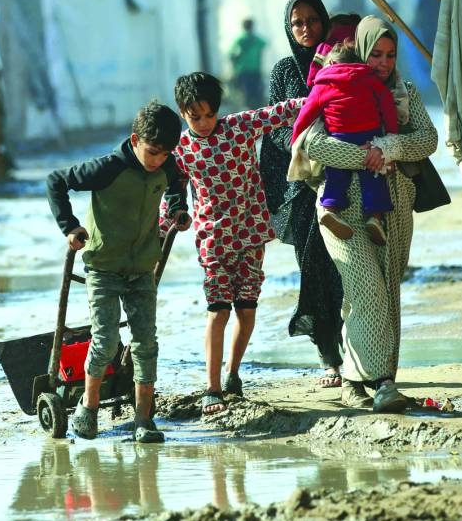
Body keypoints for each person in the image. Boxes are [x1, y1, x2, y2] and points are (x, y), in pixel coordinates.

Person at [296, 15, 439, 413]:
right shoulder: (338, 84)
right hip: (338, 210)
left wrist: (389, 146)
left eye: (391, 55)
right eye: (375, 53)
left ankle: (355, 378)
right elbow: (315, 144)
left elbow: (428, 140)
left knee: (382, 292)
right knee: (366, 287)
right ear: (359, 50)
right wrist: (367, 156)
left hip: (392, 206)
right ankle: (383, 384)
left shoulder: (405, 92)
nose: (383, 62)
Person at [45, 100, 191, 442]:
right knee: (107, 339)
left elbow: (176, 183)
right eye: (153, 152)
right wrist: (70, 226)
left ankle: (144, 419)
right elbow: (56, 181)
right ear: (135, 140)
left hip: (142, 267)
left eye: (165, 153)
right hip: (104, 268)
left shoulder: (167, 165)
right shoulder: (108, 167)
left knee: (145, 343)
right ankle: (88, 405)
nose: (158, 160)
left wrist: (178, 209)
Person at [172, 71, 304, 415]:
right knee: (218, 311)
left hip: (251, 234)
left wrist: (326, 95)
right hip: (212, 240)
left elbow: (282, 111)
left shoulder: (239, 127)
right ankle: (212, 388)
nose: (203, 123)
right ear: (183, 113)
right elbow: (171, 190)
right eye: (194, 117)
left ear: (218, 109)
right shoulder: (182, 149)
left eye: (209, 114)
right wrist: (172, 216)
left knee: (246, 310)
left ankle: (233, 374)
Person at [259, 0, 345, 389]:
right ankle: (330, 359)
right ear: (288, 28)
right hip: (300, 192)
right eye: (297, 23)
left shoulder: (341, 61)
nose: (306, 28)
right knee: (313, 270)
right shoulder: (283, 72)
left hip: (344, 181)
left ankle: (356, 352)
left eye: (312, 20)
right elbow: (276, 129)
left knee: (347, 270)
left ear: (324, 21)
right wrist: (311, 144)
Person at [293, 41, 399, 246]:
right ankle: (375, 218)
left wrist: (296, 139)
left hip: (339, 137)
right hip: (369, 137)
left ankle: (331, 209)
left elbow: (306, 114)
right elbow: (387, 104)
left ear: (330, 62)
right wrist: (391, 134)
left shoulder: (323, 83)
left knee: (336, 174)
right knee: (374, 176)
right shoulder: (369, 78)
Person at [305, 12, 362, 87]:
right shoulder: (361, 47)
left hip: (328, 90)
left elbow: (312, 78)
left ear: (331, 28)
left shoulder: (325, 47)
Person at [228, 18, 268, 108]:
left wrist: (234, 67)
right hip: (255, 71)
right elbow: (265, 44)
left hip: (243, 71)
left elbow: (231, 54)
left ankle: (249, 114)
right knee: (257, 94)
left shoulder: (240, 40)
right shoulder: (257, 40)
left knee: (247, 95)